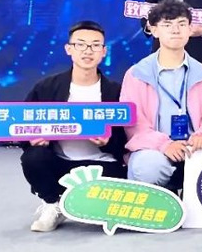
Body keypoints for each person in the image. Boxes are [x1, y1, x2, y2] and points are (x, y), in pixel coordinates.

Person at [21, 21, 127, 232]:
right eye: (80, 44)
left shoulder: (117, 91)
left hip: (103, 166)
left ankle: (84, 203)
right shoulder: (47, 87)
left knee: (101, 214)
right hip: (60, 163)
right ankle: (53, 204)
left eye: (95, 45)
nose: (88, 51)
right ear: (68, 49)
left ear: (104, 51)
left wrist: (108, 142)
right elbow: (21, 125)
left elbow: (127, 139)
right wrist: (33, 138)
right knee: (33, 157)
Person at [121, 0, 202, 189]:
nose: (175, 30)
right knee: (148, 167)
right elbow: (135, 124)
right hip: (153, 148)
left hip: (196, 147)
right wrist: (164, 145)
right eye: (167, 25)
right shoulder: (136, 74)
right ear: (154, 30)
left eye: (181, 24)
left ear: (190, 29)